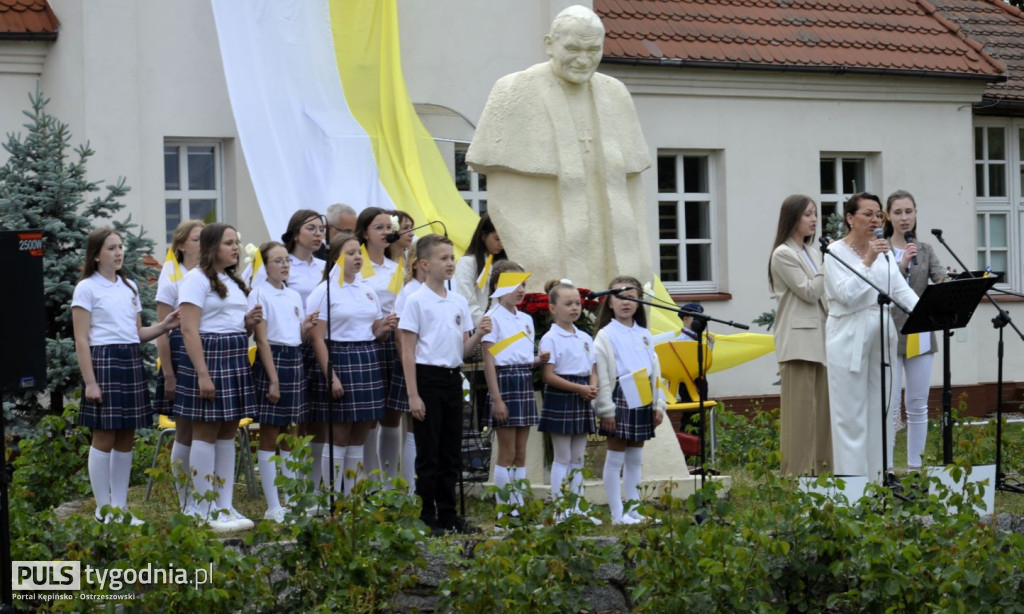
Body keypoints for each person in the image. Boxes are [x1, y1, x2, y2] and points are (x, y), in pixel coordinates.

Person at [466, 5, 652, 290]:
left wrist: (639, 255)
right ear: (550, 45)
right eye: (574, 48)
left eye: (593, 50)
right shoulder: (514, 90)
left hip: (610, 246)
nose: (583, 59)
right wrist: (539, 250)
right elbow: (508, 200)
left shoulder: (615, 93)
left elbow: (633, 192)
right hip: (548, 249)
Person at [73, 228, 180, 524]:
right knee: (104, 436)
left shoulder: (129, 286)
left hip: (130, 359)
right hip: (103, 361)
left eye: (120, 247)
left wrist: (164, 325)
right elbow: (81, 339)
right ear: (96, 255)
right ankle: (103, 509)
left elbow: (137, 334)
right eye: (111, 248)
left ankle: (120, 509)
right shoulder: (86, 288)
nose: (119, 252)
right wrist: (91, 382)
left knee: (126, 438)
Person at [400, 234, 491, 535]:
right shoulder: (416, 301)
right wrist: (413, 395)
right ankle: (427, 516)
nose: (450, 263)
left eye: (452, 257)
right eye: (443, 258)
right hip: (427, 378)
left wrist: (478, 334)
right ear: (424, 264)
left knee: (452, 451)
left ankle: (450, 514)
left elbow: (462, 350)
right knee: (430, 453)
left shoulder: (458, 301)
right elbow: (408, 351)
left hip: (452, 377)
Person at [824, 193, 919, 482]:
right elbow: (846, 295)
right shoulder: (834, 252)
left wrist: (928, 312)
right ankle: (852, 486)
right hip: (848, 334)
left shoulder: (886, 252)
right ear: (850, 218)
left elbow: (899, 291)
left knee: (882, 410)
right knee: (850, 414)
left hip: (881, 331)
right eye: (868, 214)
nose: (875, 220)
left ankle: (876, 481)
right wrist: (868, 259)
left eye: (879, 215)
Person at [175, 223, 262, 532]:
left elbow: (231, 323)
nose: (235, 248)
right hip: (208, 357)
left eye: (236, 242)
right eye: (228, 243)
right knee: (205, 432)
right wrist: (202, 374)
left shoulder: (233, 280)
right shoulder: (195, 280)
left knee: (227, 431)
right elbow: (188, 328)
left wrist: (248, 323)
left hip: (234, 353)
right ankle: (202, 506)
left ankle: (224, 504)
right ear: (213, 247)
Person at [306, 232, 397, 495]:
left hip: (367, 358)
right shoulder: (323, 292)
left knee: (360, 434)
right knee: (339, 436)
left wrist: (386, 328)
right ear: (336, 258)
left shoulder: (367, 289)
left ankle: (353, 497)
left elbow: (374, 330)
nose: (358, 257)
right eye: (351, 253)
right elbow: (316, 337)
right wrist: (330, 376)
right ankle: (332, 496)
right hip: (339, 359)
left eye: (359, 252)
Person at [249, 241, 319, 522]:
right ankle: (272, 503)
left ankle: (290, 499)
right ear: (265, 266)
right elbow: (263, 339)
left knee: (291, 433)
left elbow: (295, 336)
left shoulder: (291, 295)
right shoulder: (259, 294)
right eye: (277, 261)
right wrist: (273, 380)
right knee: (270, 434)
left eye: (286, 260)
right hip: (273, 360)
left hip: (294, 359)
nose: (284, 265)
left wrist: (305, 328)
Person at [593, 276, 666, 524]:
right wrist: (606, 409)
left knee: (635, 457)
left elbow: (655, 371)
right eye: (619, 297)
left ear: (639, 303)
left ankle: (633, 508)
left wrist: (658, 404)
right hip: (620, 394)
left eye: (631, 298)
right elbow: (601, 373)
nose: (626, 303)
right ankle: (616, 513)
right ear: (609, 302)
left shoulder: (645, 334)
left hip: (643, 393)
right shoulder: (605, 334)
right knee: (615, 457)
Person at [769, 195, 832, 476]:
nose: (814, 219)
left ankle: (821, 471)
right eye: (808, 214)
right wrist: (827, 264)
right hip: (797, 342)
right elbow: (808, 291)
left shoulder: (812, 252)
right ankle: (795, 474)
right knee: (799, 413)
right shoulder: (783, 253)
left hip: (819, 339)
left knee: (821, 413)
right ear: (793, 217)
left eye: (815, 214)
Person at [884, 190, 945, 471]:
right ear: (888, 216)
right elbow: (880, 283)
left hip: (920, 332)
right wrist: (902, 264)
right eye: (898, 212)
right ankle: (885, 469)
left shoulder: (926, 249)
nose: (904, 218)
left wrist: (951, 279)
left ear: (916, 213)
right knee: (892, 407)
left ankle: (915, 468)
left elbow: (940, 278)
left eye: (909, 211)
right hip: (889, 333)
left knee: (918, 404)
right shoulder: (880, 247)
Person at [482, 263, 549, 516]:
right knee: (507, 451)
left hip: (523, 380)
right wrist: (497, 399)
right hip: (504, 384)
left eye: (523, 284)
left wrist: (537, 360)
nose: (521, 290)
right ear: (499, 286)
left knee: (521, 452)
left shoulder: (526, 318)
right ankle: (502, 509)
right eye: (515, 284)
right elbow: (490, 361)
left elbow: (518, 356)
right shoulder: (492, 317)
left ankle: (517, 505)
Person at [537, 279, 599, 523]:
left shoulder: (584, 336)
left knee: (578, 457)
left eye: (577, 303)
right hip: (563, 395)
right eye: (568, 304)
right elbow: (548, 375)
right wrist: (580, 389)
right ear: (553, 309)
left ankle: (579, 508)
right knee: (562, 457)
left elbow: (593, 367)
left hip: (583, 393)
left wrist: (592, 385)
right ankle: (561, 509)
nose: (575, 308)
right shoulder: (550, 338)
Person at [154, 219, 203, 511]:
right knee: (185, 430)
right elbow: (163, 331)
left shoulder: (208, 273)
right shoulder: (171, 275)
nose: (201, 244)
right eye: (196, 239)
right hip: (179, 353)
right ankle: (185, 496)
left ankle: (203, 491)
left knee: (205, 429)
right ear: (182, 244)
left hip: (204, 351)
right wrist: (169, 374)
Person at [353, 207, 403, 484]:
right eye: (379, 227)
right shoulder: (358, 267)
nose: (386, 232)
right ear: (364, 233)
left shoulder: (398, 268)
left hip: (395, 340)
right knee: (370, 414)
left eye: (388, 227)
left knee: (393, 413)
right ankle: (370, 481)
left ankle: (389, 480)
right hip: (369, 339)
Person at [280, 209, 327, 490]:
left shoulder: (324, 267)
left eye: (321, 229)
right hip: (293, 343)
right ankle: (291, 483)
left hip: (319, 342)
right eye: (312, 228)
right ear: (296, 232)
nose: (319, 234)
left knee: (318, 415)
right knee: (295, 416)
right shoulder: (284, 264)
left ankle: (313, 483)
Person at [389, 251, 426, 494]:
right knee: (414, 423)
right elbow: (401, 335)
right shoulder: (409, 292)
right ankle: (412, 486)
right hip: (415, 362)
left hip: (433, 363)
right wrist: (407, 363)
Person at [454, 212, 507, 328]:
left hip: (503, 328)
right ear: (483, 236)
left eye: (505, 239)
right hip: (481, 329)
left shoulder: (505, 265)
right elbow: (466, 299)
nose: (501, 244)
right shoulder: (467, 263)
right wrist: (484, 324)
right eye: (497, 239)